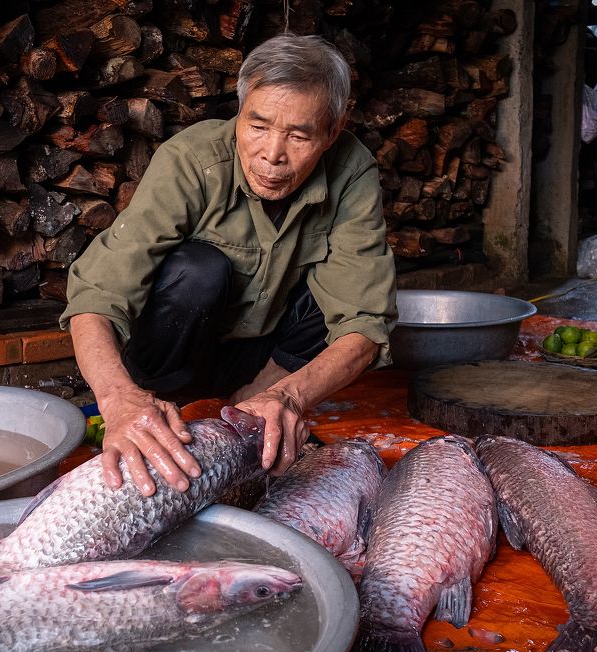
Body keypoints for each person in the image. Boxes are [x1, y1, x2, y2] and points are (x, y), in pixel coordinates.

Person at [60, 32, 397, 497]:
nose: (273, 154)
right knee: (198, 269)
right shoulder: (191, 160)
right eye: (257, 127)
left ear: (332, 131)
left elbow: (365, 323)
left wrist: (288, 396)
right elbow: (97, 295)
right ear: (240, 112)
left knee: (340, 289)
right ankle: (165, 407)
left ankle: (252, 405)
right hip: (173, 352)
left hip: (262, 363)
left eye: (299, 136)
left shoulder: (352, 170)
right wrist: (120, 400)